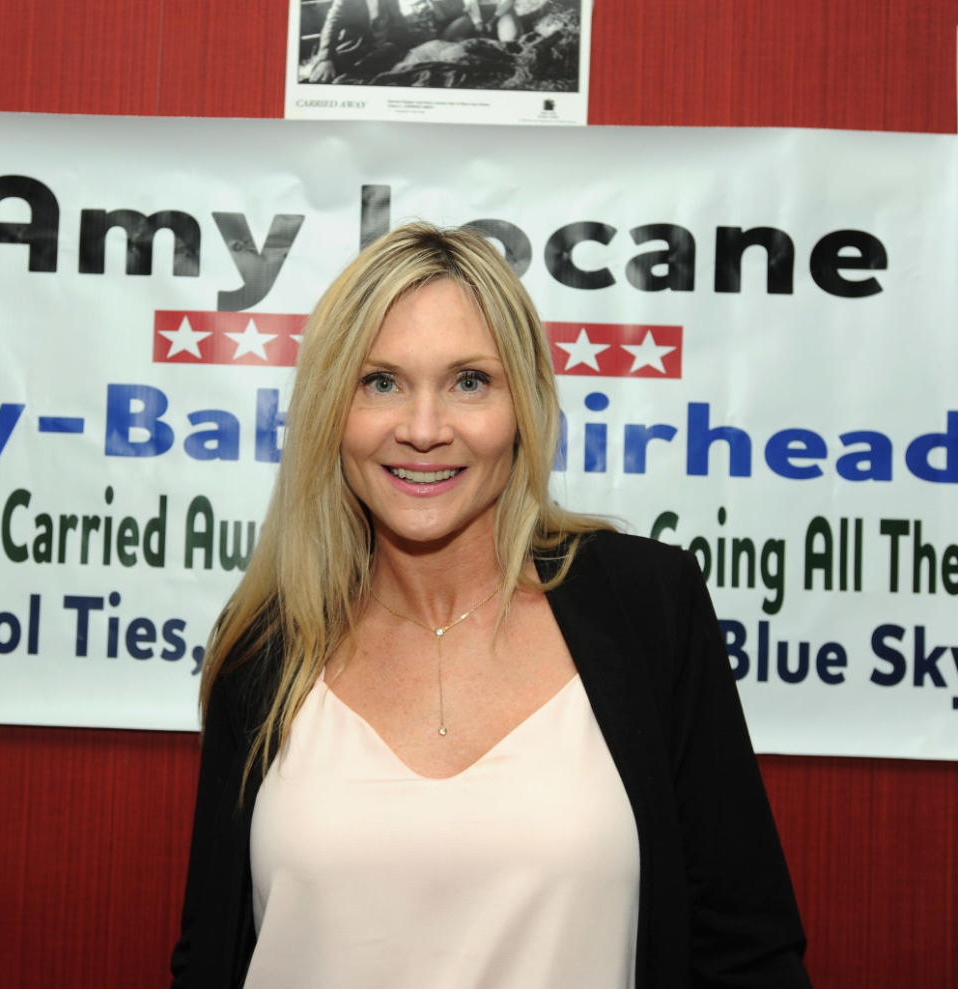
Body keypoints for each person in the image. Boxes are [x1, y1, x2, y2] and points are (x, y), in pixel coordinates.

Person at [170, 223, 813, 988]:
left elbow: (747, 952)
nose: (423, 429)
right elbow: (209, 956)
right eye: (380, 381)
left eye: (469, 381)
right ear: (328, 410)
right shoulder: (264, 648)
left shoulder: (650, 608)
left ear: (524, 406)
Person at [308, 0, 519, 83]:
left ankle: (511, 46)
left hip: (391, 45)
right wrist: (326, 57)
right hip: (360, 47)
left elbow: (399, 26)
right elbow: (332, 23)